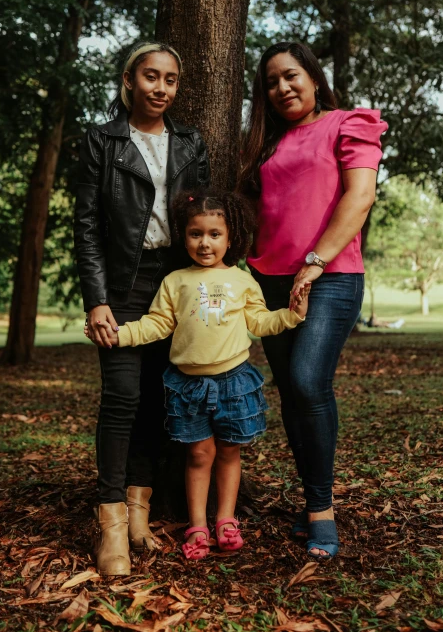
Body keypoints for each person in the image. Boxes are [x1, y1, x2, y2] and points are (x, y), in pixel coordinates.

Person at [87, 188, 310, 560]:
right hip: (188, 385)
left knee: (228, 453)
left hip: (233, 382)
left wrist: (292, 315)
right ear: (184, 235)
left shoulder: (242, 281)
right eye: (196, 234)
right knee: (198, 454)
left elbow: (259, 320)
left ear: (230, 237)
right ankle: (197, 525)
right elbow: (157, 324)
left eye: (214, 234)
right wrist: (120, 334)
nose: (205, 243)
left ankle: (225, 519)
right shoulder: (175, 281)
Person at [240, 41, 388, 559]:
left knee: (307, 381)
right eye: (271, 82)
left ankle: (323, 512)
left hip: (330, 275)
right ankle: (311, 503)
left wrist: (316, 260)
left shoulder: (350, 122)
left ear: (314, 77)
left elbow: (360, 196)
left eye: (290, 75)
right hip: (271, 282)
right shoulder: (265, 143)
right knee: (292, 392)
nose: (282, 87)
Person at [74, 42, 210, 576]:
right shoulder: (102, 141)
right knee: (122, 397)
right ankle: (110, 526)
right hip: (124, 284)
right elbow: (86, 226)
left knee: (159, 398)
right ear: (129, 80)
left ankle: (138, 513)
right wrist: (97, 300)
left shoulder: (190, 143)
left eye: (171, 80)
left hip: (175, 285)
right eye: (151, 77)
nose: (161, 88)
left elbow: (202, 220)